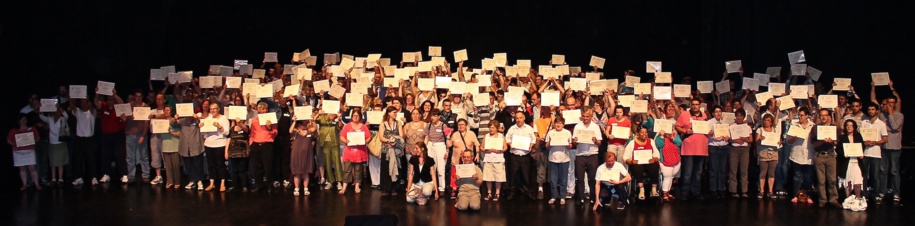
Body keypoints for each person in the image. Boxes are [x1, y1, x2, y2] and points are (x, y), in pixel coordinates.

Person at [676, 98, 709, 200]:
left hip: (701, 148)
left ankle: (696, 192)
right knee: (687, 172)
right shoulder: (684, 114)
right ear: (691, 105)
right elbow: (677, 126)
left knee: (698, 172)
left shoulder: (704, 115)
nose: (695, 106)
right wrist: (685, 131)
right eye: (693, 104)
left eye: (697, 104)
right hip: (688, 148)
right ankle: (685, 192)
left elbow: (707, 128)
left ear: (700, 105)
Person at [810, 109, 842, 208]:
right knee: (821, 180)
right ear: (819, 117)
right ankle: (822, 199)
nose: (824, 117)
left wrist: (833, 141)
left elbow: (838, 142)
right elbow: (813, 143)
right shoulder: (815, 128)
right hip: (819, 155)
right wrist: (823, 141)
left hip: (830, 155)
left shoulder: (834, 128)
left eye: (825, 115)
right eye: (821, 115)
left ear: (829, 116)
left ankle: (833, 199)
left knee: (832, 180)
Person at [573, 109, 604, 204]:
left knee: (592, 178)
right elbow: (574, 142)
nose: (585, 118)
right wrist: (575, 140)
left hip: (592, 155)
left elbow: (599, 143)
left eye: (587, 116)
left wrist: (595, 140)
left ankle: (592, 197)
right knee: (580, 178)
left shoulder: (595, 127)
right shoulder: (577, 126)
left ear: (591, 117)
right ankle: (581, 197)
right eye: (584, 116)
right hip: (580, 155)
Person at [860, 104, 889, 201]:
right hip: (865, 153)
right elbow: (860, 137)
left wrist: (875, 142)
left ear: (876, 111)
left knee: (875, 175)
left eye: (872, 109)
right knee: (863, 175)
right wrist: (865, 142)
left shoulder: (881, 124)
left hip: (876, 153)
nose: (870, 111)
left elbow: (885, 139)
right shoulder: (864, 122)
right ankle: (864, 195)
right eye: (869, 109)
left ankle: (876, 194)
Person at [505, 111, 536, 200]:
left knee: (526, 175)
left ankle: (528, 192)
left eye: (520, 118)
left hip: (525, 155)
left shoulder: (529, 128)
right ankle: (512, 192)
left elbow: (533, 139)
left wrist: (530, 146)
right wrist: (510, 144)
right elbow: (507, 138)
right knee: (513, 175)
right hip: (514, 155)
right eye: (517, 118)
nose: (518, 120)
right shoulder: (512, 128)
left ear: (524, 118)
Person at [623, 127, 661, 200]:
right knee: (637, 167)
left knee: (655, 165)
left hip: (648, 163)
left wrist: (654, 159)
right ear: (638, 134)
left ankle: (654, 189)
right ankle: (641, 189)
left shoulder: (651, 141)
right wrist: (631, 161)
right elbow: (625, 157)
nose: (644, 134)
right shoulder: (632, 143)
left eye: (646, 132)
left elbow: (657, 154)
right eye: (642, 132)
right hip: (637, 164)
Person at [339, 110, 371, 195]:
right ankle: (344, 186)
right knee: (347, 169)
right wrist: (345, 141)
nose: (355, 117)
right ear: (351, 116)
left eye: (357, 116)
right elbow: (342, 136)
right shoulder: (347, 126)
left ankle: (357, 186)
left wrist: (363, 141)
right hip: (349, 151)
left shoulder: (363, 126)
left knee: (358, 170)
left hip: (360, 151)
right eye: (354, 116)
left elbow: (369, 137)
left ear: (360, 116)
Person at [787, 107, 815, 203]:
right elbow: (788, 141)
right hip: (797, 155)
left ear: (807, 116)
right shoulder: (794, 125)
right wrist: (793, 139)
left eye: (802, 115)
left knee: (808, 178)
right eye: (799, 115)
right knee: (797, 176)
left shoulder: (812, 126)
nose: (800, 117)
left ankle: (808, 196)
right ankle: (795, 195)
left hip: (809, 155)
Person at [837, 119, 866, 211]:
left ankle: (858, 199)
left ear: (854, 127)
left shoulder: (858, 136)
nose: (849, 127)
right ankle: (849, 200)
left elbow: (862, 147)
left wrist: (861, 154)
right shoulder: (842, 137)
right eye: (847, 125)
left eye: (851, 125)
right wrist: (843, 155)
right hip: (846, 163)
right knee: (847, 183)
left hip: (856, 162)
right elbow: (838, 149)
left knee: (857, 183)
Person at [249, 101, 278, 192]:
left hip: (267, 145)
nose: (264, 110)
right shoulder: (254, 120)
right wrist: (251, 143)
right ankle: (259, 185)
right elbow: (252, 133)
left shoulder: (272, 119)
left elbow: (275, 133)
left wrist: (269, 128)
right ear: (258, 110)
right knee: (257, 167)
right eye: (262, 109)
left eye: (266, 109)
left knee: (268, 167)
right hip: (256, 145)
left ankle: (269, 185)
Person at [8, 115, 41, 190]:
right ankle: (24, 184)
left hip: (29, 151)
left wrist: (33, 142)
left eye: (25, 119)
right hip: (18, 152)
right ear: (18, 121)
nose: (23, 121)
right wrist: (15, 143)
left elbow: (38, 137)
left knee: (32, 168)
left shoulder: (32, 128)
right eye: (21, 119)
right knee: (22, 168)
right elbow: (9, 140)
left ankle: (37, 184)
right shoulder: (14, 130)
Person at [202, 102, 230, 192]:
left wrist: (219, 126)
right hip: (209, 144)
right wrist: (201, 127)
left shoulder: (223, 118)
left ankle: (222, 183)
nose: (212, 110)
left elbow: (227, 132)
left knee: (221, 165)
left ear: (218, 109)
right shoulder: (207, 119)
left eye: (214, 108)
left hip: (220, 144)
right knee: (211, 165)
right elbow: (204, 134)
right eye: (211, 109)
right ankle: (212, 183)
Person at [69, 99, 98, 186]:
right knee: (78, 159)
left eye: (85, 102)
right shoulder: (78, 111)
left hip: (89, 139)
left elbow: (92, 107)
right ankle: (79, 178)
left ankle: (93, 177)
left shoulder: (92, 112)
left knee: (91, 159)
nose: (83, 104)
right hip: (79, 139)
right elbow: (72, 106)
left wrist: (88, 100)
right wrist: (71, 97)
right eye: (82, 102)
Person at [544, 117, 573, 205]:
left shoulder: (567, 133)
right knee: (553, 179)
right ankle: (553, 197)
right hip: (553, 159)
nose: (558, 125)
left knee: (563, 179)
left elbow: (570, 146)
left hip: (564, 159)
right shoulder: (551, 133)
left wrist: (568, 144)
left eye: (560, 123)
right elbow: (547, 147)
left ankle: (563, 197)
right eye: (556, 123)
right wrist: (550, 142)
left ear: (563, 124)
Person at [448, 119, 479, 196]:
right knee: (454, 174)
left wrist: (477, 154)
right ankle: (454, 189)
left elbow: (477, 144)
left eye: (462, 124)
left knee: (468, 174)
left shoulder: (471, 134)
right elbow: (449, 145)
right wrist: (448, 137)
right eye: (459, 124)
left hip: (467, 159)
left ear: (466, 126)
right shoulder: (455, 134)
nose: (460, 126)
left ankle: (468, 188)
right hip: (456, 159)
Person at [39, 105, 68, 187]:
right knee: (53, 162)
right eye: (55, 111)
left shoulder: (63, 119)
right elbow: (41, 117)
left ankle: (60, 179)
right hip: (52, 143)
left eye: (57, 111)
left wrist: (60, 108)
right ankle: (53, 179)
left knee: (60, 162)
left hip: (60, 143)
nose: (56, 113)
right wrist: (42, 108)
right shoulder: (50, 119)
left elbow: (66, 116)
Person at [423, 109, 451, 195]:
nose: (433, 117)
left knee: (441, 168)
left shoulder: (444, 126)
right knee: (431, 168)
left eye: (435, 116)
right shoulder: (429, 125)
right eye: (431, 115)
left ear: (439, 117)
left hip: (440, 146)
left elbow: (448, 139)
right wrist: (425, 148)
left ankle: (441, 188)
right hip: (431, 145)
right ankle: (433, 187)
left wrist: (447, 150)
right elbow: (426, 137)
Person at [379, 107, 405, 196]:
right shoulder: (383, 124)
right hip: (386, 149)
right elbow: (381, 137)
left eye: (396, 112)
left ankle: (394, 187)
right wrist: (388, 141)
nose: (395, 114)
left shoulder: (398, 123)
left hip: (396, 148)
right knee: (386, 169)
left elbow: (401, 135)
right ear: (389, 113)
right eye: (394, 112)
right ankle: (385, 188)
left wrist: (395, 140)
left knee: (396, 167)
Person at [315, 106, 343, 191]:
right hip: (324, 143)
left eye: (333, 113)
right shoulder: (322, 118)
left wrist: (339, 118)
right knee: (327, 163)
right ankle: (330, 181)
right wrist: (318, 113)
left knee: (337, 162)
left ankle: (339, 182)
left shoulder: (336, 120)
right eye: (330, 113)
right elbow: (315, 119)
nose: (332, 114)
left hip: (334, 143)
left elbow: (340, 127)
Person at [728, 109, 753, 198]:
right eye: (737, 115)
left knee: (744, 171)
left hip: (744, 149)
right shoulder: (731, 126)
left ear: (743, 117)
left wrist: (745, 139)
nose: (739, 117)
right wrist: (736, 140)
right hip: (734, 148)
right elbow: (729, 138)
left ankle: (744, 191)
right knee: (733, 170)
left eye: (741, 115)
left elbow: (751, 140)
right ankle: (733, 190)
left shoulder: (747, 127)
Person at [756, 114, 781, 199]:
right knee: (763, 172)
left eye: (768, 120)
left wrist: (779, 143)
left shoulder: (774, 130)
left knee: (771, 173)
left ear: (771, 122)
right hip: (763, 153)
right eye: (765, 120)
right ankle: (761, 190)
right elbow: (756, 142)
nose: (766, 122)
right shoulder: (760, 130)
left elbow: (778, 141)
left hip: (773, 153)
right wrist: (760, 139)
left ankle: (770, 191)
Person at [290, 116, 317, 196]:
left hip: (307, 154)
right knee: (297, 172)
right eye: (302, 124)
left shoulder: (309, 131)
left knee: (306, 172)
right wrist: (294, 121)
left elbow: (314, 129)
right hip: (297, 155)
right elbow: (290, 130)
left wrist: (312, 121)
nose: (304, 125)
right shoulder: (296, 131)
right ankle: (296, 188)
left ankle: (306, 188)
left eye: (305, 123)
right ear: (299, 125)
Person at [707, 106, 730, 198]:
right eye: (716, 112)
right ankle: (713, 189)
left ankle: (721, 188)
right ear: (713, 113)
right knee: (713, 169)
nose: (718, 113)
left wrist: (728, 137)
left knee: (722, 169)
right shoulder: (709, 123)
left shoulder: (725, 123)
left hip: (724, 147)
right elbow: (707, 134)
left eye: (720, 111)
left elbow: (728, 135)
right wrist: (714, 137)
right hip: (713, 147)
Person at [482, 120, 507, 201]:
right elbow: (481, 147)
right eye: (490, 127)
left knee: (498, 177)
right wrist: (486, 150)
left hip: (498, 158)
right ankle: (489, 193)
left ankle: (497, 193)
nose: (491, 129)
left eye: (493, 127)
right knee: (488, 176)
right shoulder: (486, 136)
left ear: (497, 128)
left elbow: (505, 147)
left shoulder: (501, 136)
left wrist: (499, 151)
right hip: (489, 158)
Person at [157, 106, 182, 189]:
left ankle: (177, 181)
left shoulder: (175, 121)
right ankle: (170, 181)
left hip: (174, 144)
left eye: (168, 110)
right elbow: (158, 135)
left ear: (171, 112)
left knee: (175, 165)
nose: (166, 111)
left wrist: (172, 133)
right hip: (165, 145)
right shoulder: (161, 122)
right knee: (167, 166)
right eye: (165, 110)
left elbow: (180, 133)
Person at [656, 126, 682, 202]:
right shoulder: (659, 137)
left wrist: (672, 137)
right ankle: (664, 193)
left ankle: (668, 192)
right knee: (667, 177)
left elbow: (679, 143)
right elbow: (659, 144)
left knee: (671, 177)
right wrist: (661, 136)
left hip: (675, 159)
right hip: (665, 160)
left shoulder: (675, 135)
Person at [224, 115, 250, 192]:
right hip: (233, 152)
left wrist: (240, 123)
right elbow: (228, 140)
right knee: (234, 170)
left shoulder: (246, 127)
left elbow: (246, 130)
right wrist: (226, 152)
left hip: (243, 152)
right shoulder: (232, 129)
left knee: (243, 169)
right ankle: (234, 186)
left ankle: (244, 186)